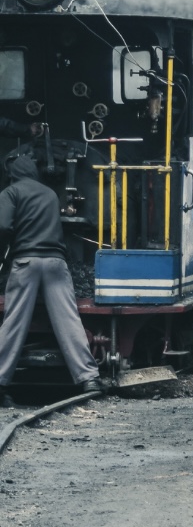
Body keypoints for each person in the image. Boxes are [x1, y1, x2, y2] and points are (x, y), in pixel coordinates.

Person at [0, 155, 102, 405]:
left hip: (26, 262)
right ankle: (89, 378)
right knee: (69, 320)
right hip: (57, 263)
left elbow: (2, 225)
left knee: (14, 323)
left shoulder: (11, 192)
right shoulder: (49, 194)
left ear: (12, 173)